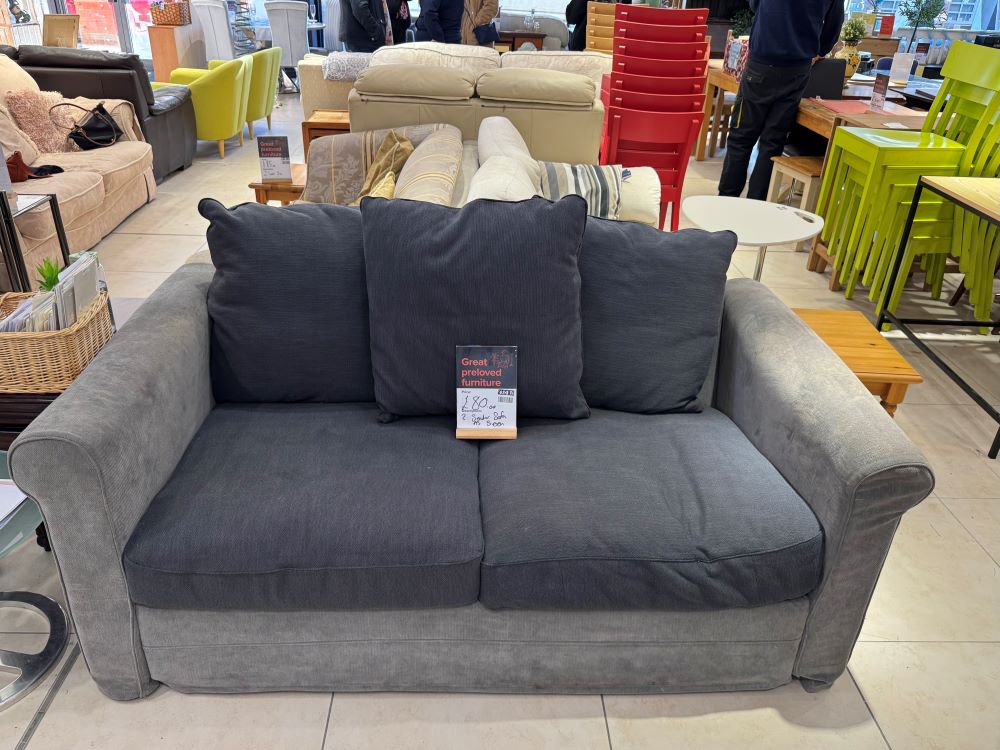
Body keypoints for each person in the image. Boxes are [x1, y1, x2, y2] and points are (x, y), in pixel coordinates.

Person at [718, 0, 844, 200]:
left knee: (741, 137)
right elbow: (834, 23)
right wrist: (819, 51)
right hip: (798, 67)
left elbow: (755, 5)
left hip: (763, 61)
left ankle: (727, 199)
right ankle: (756, 203)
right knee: (773, 141)